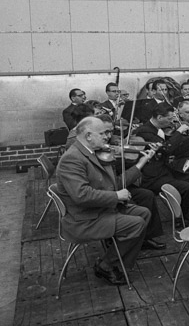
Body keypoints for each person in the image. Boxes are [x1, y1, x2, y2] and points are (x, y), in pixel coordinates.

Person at [54, 117, 155, 285]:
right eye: (103, 133)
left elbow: (116, 183)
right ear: (88, 136)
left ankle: (118, 259)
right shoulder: (72, 159)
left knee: (144, 213)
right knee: (136, 224)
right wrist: (116, 196)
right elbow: (82, 195)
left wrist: (142, 161)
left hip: (100, 209)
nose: (108, 137)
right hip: (85, 219)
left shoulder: (94, 152)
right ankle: (106, 265)